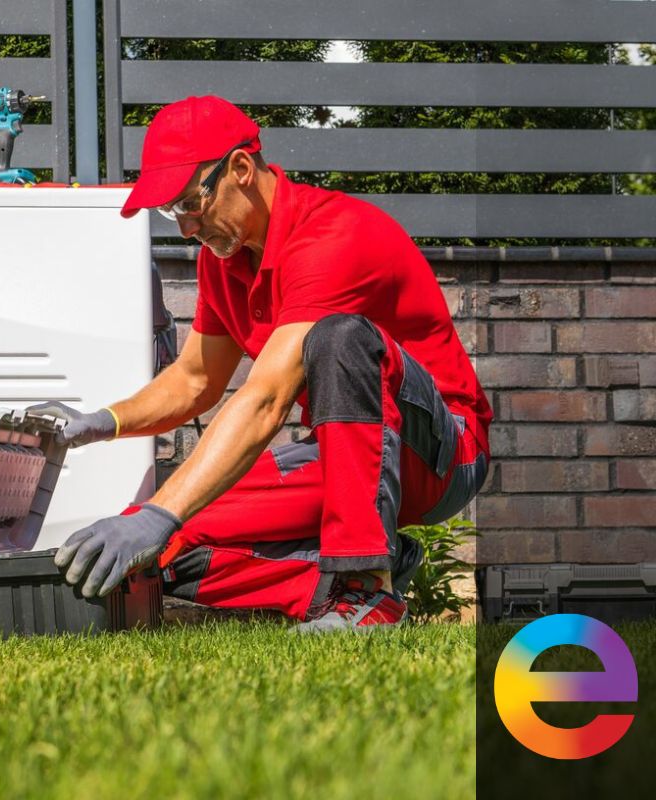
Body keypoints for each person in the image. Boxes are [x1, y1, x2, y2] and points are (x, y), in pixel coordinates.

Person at [28, 95, 492, 632]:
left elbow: (266, 397)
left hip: (442, 453)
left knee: (339, 338)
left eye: (189, 204)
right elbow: (194, 380)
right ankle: (359, 574)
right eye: (170, 212)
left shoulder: (333, 236)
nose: (184, 228)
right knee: (161, 549)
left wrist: (162, 510)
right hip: (346, 458)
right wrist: (101, 423)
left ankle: (366, 590)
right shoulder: (223, 261)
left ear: (241, 169)